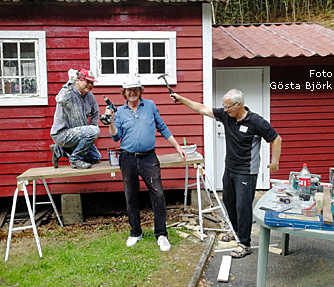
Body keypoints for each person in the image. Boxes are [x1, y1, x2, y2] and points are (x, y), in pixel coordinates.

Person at [171, 89, 281, 258]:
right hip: (229, 168)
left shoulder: (256, 121)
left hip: (247, 171)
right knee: (229, 202)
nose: (225, 109)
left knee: (243, 207)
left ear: (239, 105)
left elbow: (276, 139)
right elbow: (202, 109)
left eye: (228, 106)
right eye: (223, 106)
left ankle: (244, 244)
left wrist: (274, 163)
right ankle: (236, 232)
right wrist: (181, 99)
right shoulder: (226, 116)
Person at [103, 76, 186, 252]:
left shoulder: (150, 106)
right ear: (124, 93)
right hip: (127, 158)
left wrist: (177, 146)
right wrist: (110, 122)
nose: (132, 92)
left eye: (135, 89)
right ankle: (135, 232)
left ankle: (161, 235)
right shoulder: (120, 112)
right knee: (131, 195)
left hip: (149, 158)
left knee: (158, 195)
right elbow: (116, 137)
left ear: (140, 91)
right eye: (128, 90)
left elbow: (162, 127)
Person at [50, 69, 102, 169]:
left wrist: (92, 130)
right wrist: (70, 81)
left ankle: (59, 150)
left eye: (92, 83)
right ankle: (75, 160)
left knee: (95, 157)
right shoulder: (68, 91)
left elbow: (95, 113)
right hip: (62, 134)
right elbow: (60, 99)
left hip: (78, 136)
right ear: (77, 80)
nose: (90, 85)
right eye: (87, 81)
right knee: (94, 131)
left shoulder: (90, 96)